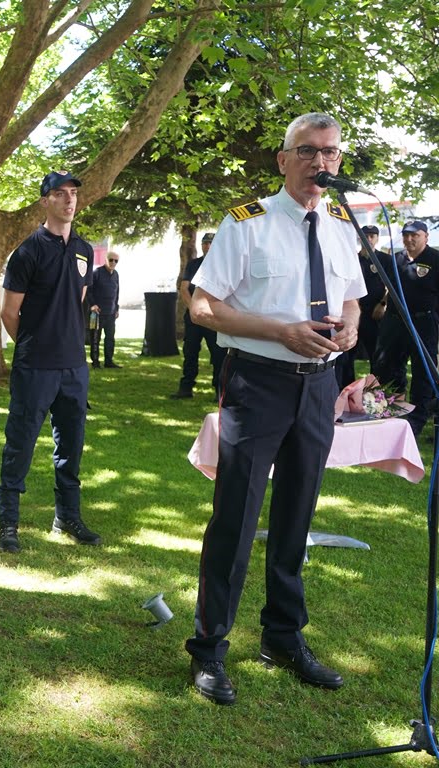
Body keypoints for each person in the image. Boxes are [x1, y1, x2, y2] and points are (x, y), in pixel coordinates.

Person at [184, 113, 364, 705]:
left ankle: (283, 636)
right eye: (308, 152)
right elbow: (203, 308)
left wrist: (350, 333)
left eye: (331, 154)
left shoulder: (341, 222)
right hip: (257, 382)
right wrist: (279, 332)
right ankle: (209, 649)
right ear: (283, 159)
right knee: (236, 516)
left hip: (318, 384)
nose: (321, 163)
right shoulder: (246, 223)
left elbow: (351, 300)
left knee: (297, 514)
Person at [0, 170, 102, 554]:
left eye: (73, 193)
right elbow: (10, 312)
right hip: (35, 367)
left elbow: (77, 300)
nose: (69, 200)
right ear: (45, 201)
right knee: (20, 445)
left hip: (74, 367)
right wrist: (31, 346)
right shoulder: (27, 252)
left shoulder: (85, 250)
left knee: (71, 446)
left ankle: (67, 517)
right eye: (60, 194)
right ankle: (8, 522)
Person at [372, 220, 439, 437]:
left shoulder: (435, 259)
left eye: (415, 235)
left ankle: (416, 421)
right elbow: (389, 288)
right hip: (394, 321)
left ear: (425, 237)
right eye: (406, 235)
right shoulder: (397, 259)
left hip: (423, 323)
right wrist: (382, 304)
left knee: (422, 371)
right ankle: (384, 412)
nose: (409, 239)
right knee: (385, 365)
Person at [171, 233, 225, 399]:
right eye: (205, 243)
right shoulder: (194, 264)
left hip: (214, 317)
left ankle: (219, 389)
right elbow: (184, 287)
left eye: (210, 243)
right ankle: (186, 388)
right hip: (194, 317)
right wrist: (194, 307)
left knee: (218, 354)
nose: (207, 246)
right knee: (190, 351)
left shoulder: (223, 265)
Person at [335, 224, 388, 388]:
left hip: (374, 314)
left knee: (376, 356)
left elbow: (392, 286)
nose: (369, 239)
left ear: (377, 238)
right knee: (347, 355)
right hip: (353, 315)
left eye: (373, 236)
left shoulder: (385, 259)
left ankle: (376, 394)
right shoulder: (352, 259)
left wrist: (383, 303)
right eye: (366, 235)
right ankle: (347, 391)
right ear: (359, 237)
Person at [87, 251, 121, 368]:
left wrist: (116, 308)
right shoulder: (97, 273)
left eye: (116, 261)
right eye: (111, 260)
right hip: (97, 312)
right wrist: (93, 304)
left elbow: (117, 293)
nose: (113, 262)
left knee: (110, 338)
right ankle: (95, 362)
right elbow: (88, 290)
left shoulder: (116, 274)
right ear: (106, 259)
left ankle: (109, 361)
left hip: (111, 313)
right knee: (95, 338)